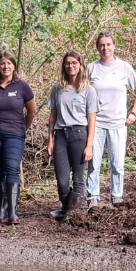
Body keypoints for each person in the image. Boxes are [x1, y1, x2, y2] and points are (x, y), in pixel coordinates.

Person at [86, 33, 136, 207]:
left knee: (117, 164)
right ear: (97, 47)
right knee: (93, 164)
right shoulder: (91, 68)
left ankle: (117, 196)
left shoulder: (124, 68)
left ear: (114, 45)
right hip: (96, 124)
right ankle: (93, 198)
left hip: (118, 123)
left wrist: (133, 113)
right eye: (102, 45)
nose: (105, 48)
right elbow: (83, 93)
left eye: (109, 44)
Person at [0, 51, 35, 224]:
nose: (6, 66)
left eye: (9, 63)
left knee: (12, 168)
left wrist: (21, 128)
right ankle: (1, 210)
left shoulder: (22, 86)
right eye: (2, 63)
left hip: (15, 134)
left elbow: (31, 111)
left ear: (14, 65)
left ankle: (12, 212)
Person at [47, 51, 98, 221]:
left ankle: (73, 214)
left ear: (81, 65)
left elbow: (92, 119)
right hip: (61, 134)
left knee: (78, 177)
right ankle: (66, 207)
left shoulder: (88, 90)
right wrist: (50, 139)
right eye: (68, 63)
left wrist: (89, 145)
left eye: (74, 63)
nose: (71, 66)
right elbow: (53, 116)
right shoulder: (58, 88)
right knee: (62, 180)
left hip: (79, 134)